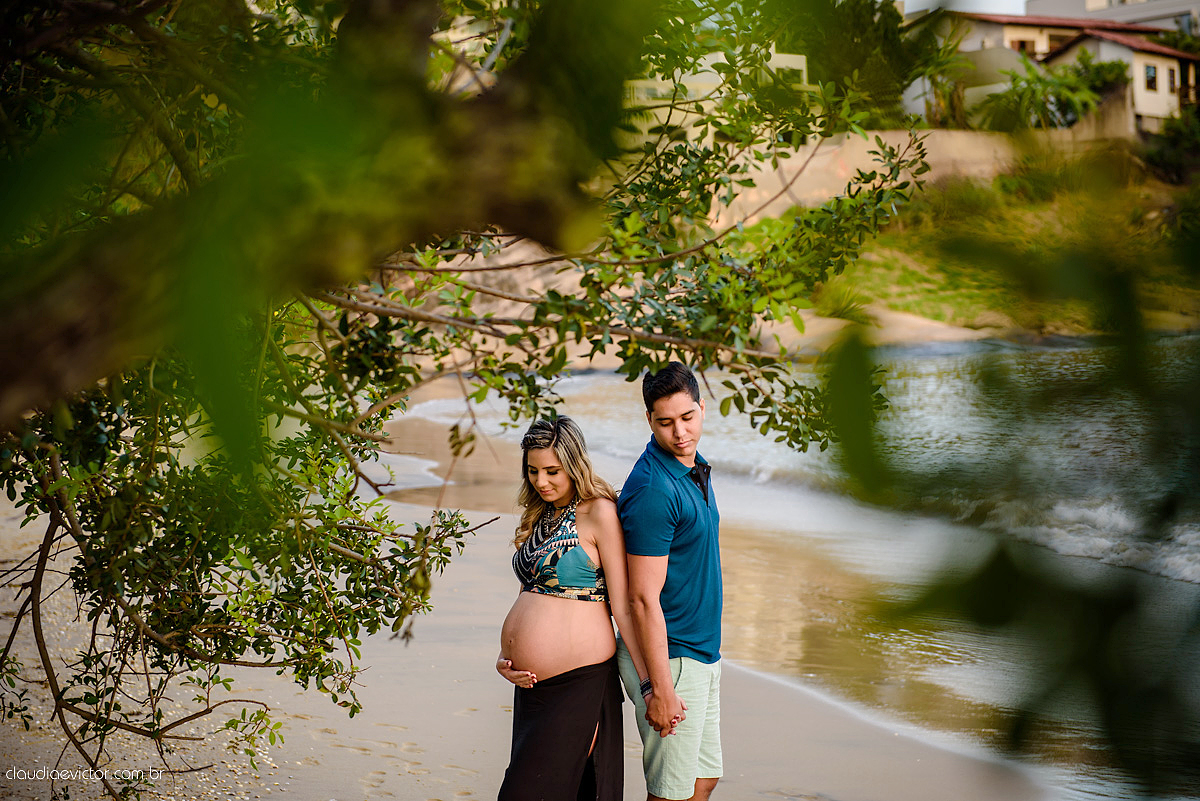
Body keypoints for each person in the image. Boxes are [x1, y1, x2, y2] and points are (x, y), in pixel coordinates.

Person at [496, 416, 648, 801]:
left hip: (578, 686)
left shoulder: (599, 512)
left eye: (552, 471)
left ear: (574, 464)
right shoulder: (540, 515)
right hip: (531, 688)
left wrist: (649, 684)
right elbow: (528, 591)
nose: (541, 481)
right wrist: (506, 654)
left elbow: (624, 607)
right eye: (532, 471)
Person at [616, 362, 722, 801]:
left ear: (701, 409)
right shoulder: (655, 489)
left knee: (702, 780)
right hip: (671, 657)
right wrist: (658, 688)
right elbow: (641, 599)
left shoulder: (693, 467)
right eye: (666, 422)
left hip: (700, 652)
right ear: (649, 421)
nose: (680, 432)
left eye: (687, 417)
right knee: (670, 793)